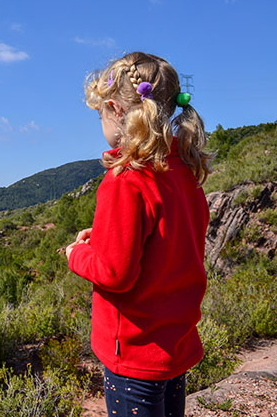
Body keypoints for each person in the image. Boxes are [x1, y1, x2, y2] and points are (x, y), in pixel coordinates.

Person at [65, 52, 212, 417]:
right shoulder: (184, 171)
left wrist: (77, 255)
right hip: (174, 344)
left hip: (132, 352)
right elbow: (166, 244)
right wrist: (103, 236)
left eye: (100, 113)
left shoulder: (125, 179)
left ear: (114, 108)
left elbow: (116, 274)